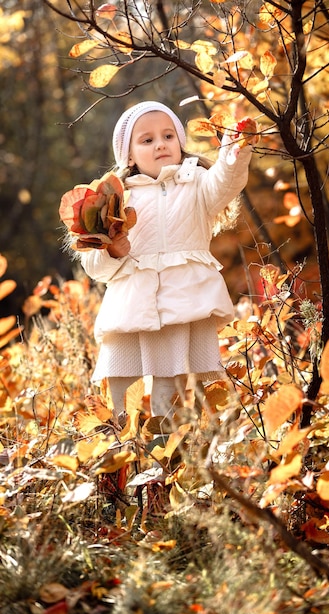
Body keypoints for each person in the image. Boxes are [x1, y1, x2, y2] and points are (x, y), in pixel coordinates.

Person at [79, 100, 258, 424]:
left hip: (183, 303)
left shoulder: (197, 184)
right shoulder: (114, 199)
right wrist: (113, 252)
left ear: (180, 142)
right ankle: (117, 459)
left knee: (170, 392)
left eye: (168, 136)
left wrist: (235, 149)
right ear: (129, 155)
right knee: (119, 390)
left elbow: (226, 181)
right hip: (130, 306)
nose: (160, 143)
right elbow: (93, 265)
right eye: (147, 140)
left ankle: (171, 462)